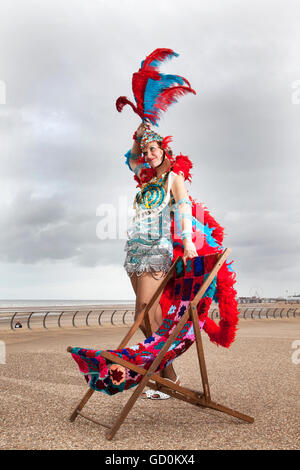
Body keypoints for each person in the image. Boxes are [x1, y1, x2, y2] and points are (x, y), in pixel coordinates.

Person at [123, 121, 198, 399]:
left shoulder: (173, 179)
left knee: (142, 310)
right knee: (147, 318)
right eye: (147, 151)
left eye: (153, 149)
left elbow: (184, 208)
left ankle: (164, 373)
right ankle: (168, 375)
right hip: (135, 250)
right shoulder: (146, 177)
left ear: (164, 149)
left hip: (157, 248)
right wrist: (138, 136)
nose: (149, 155)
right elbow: (131, 161)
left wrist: (188, 240)